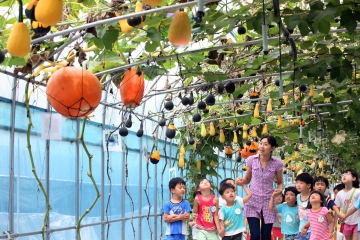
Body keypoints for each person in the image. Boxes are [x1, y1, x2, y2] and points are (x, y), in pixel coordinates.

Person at [236, 136, 284, 240]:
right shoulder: (251, 160)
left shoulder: (278, 163)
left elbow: (280, 183)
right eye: (261, 143)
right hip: (253, 200)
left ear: (273, 148)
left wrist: (279, 191)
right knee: (255, 235)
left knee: (266, 236)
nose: (261, 146)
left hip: (269, 201)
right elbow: (247, 179)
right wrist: (241, 181)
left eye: (266, 144)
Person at [335, 169, 360, 240]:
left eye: (347, 174)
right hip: (346, 223)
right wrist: (335, 224)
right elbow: (337, 209)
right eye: (343, 175)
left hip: (357, 223)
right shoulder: (339, 194)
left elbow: (356, 207)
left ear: (354, 178)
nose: (344, 176)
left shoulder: (358, 192)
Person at [295, 173, 313, 240]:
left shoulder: (313, 197)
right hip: (301, 229)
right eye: (297, 183)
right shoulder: (298, 196)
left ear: (308, 185)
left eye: (301, 183)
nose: (298, 185)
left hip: (312, 230)